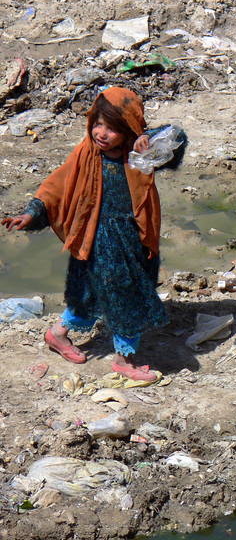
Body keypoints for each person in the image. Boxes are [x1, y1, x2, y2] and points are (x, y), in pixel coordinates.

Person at [2, 87, 182, 380]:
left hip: (131, 236)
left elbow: (175, 141)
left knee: (91, 292)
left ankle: (57, 333)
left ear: (129, 130)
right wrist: (32, 213)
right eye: (98, 124)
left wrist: (146, 140)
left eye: (112, 129)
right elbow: (55, 187)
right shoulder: (86, 153)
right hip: (97, 238)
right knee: (126, 296)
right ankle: (125, 359)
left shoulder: (140, 155)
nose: (101, 133)